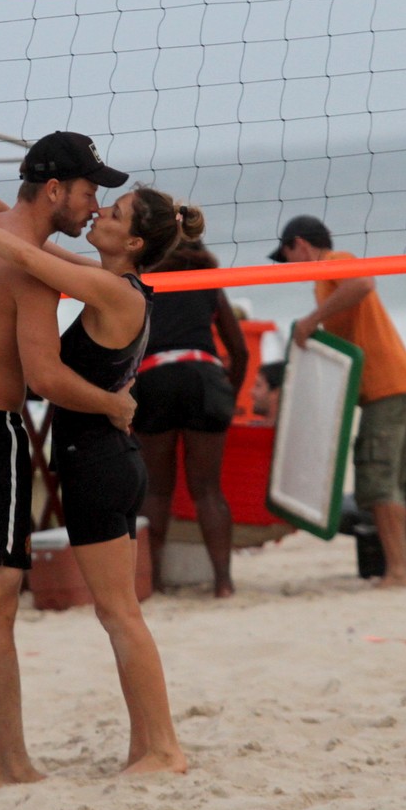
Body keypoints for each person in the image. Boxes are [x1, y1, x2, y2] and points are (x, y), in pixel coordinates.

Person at [0, 149, 196, 776]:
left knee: (108, 611)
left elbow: (12, 256)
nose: (97, 208)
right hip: (29, 443)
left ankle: (156, 747)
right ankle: (24, 761)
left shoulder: (109, 287)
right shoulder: (75, 269)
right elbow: (24, 250)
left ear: (133, 240)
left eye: (111, 208)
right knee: (12, 609)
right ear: (55, 189)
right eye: (93, 195)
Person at [271, 214, 406, 588]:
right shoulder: (325, 278)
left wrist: (312, 320)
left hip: (388, 386)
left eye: (287, 255)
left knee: (378, 481)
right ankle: (399, 568)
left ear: (301, 245)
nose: (289, 266)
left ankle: (400, 572)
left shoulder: (335, 261)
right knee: (386, 482)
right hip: (391, 387)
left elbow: (363, 282)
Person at [131, 240, 248, 597]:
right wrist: (229, 393)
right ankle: (223, 584)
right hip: (204, 376)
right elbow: (239, 351)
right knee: (209, 490)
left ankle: (153, 582)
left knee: (156, 490)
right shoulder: (206, 278)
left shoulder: (139, 280)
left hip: (156, 376)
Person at [250, 360, 285, 426]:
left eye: (258, 385)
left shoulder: (292, 434)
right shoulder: (250, 431)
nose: (252, 392)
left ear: (276, 393)